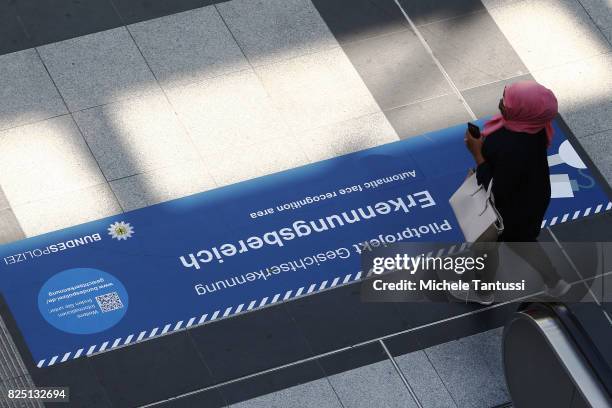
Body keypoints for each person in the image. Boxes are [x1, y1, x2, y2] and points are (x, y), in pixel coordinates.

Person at [461, 80, 571, 304]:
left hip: (508, 207)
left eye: (507, 100)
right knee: (522, 240)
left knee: (486, 246)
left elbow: (497, 187)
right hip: (531, 198)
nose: (501, 102)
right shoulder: (534, 127)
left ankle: (483, 292)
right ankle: (555, 282)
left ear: (524, 110)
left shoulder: (511, 146)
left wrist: (478, 156)